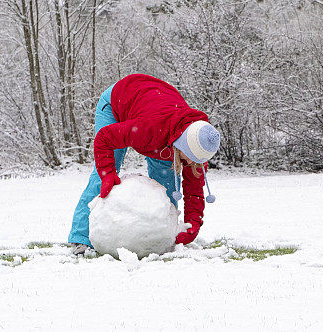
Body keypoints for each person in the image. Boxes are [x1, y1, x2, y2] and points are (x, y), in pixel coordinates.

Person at [68, 73, 221, 255]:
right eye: (188, 158)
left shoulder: (199, 143)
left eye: (196, 161)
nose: (190, 163)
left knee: (167, 185)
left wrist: (192, 224)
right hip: (117, 103)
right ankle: (81, 239)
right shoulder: (149, 129)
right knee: (104, 175)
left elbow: (194, 190)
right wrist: (107, 174)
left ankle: (164, 237)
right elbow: (104, 139)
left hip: (159, 120)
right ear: (181, 146)